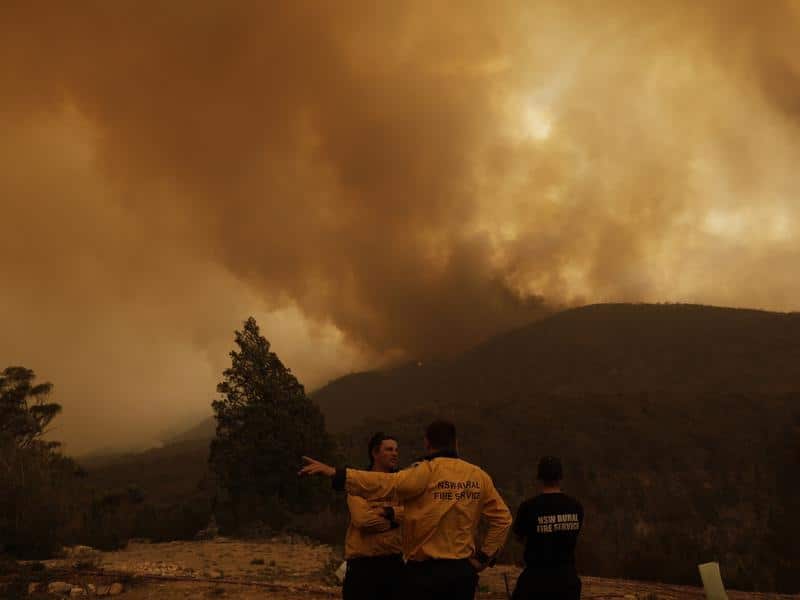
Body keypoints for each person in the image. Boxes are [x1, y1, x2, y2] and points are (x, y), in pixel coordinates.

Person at [299, 420, 512, 600]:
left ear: (427, 443)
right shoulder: (478, 475)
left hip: (424, 573)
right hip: (462, 573)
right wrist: (483, 558)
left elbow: (385, 484)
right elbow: (503, 519)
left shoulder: (424, 472)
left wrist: (336, 473)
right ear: (456, 442)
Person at [342, 432, 405, 600]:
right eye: (389, 449)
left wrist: (388, 512)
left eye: (396, 450)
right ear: (375, 453)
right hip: (363, 566)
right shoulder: (358, 484)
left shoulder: (403, 484)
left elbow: (411, 513)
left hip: (394, 563)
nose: (395, 453)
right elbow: (363, 521)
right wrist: (395, 521)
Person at [511, 456, 584, 600]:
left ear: (540, 477)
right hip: (567, 581)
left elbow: (519, 537)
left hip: (535, 580)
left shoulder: (528, 507)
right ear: (561, 477)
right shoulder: (576, 507)